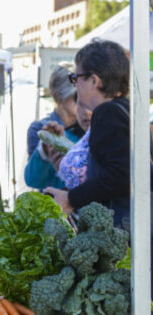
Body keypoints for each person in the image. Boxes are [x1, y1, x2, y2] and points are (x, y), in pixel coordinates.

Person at [44, 40, 132, 229]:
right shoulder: (125, 109)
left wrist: (70, 198)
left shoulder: (107, 113)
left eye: (76, 78)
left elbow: (120, 175)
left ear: (94, 80)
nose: (75, 85)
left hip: (117, 231)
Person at [23, 65, 85, 189]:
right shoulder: (40, 129)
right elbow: (34, 180)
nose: (81, 101)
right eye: (75, 96)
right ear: (58, 96)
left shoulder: (87, 127)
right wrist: (44, 151)